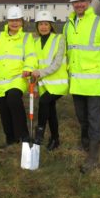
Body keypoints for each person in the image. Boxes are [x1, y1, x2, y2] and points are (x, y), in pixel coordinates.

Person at [64, 0, 100, 173]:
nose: (79, 4)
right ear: (72, 4)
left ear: (88, 2)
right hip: (77, 82)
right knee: (81, 117)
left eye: (82, 1)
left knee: (94, 118)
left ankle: (93, 155)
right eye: (75, 2)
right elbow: (68, 52)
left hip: (94, 81)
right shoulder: (68, 24)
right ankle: (85, 142)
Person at [0, 6, 37, 147]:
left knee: (13, 99)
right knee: (4, 110)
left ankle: (24, 135)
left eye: (17, 20)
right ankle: (11, 138)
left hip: (17, 78)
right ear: (8, 21)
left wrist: (27, 68)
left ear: (22, 22)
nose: (15, 23)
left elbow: (31, 57)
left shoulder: (27, 38)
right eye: (12, 20)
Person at [31, 10, 68, 151]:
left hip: (58, 83)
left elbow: (57, 63)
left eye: (46, 24)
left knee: (44, 102)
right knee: (50, 110)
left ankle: (39, 133)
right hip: (43, 85)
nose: (43, 27)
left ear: (51, 25)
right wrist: (34, 87)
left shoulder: (60, 39)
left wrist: (40, 73)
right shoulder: (34, 42)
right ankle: (55, 138)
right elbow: (33, 66)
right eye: (40, 24)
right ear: (37, 26)